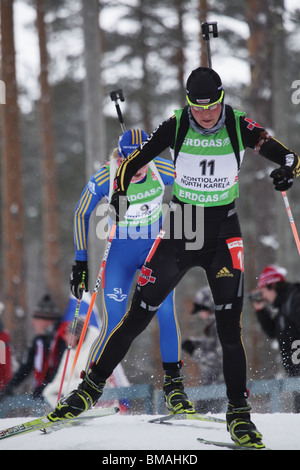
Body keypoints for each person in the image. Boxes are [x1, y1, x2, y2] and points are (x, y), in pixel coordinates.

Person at [50, 67, 300, 448]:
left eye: (211, 107)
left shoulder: (238, 124)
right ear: (188, 103)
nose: (204, 116)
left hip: (223, 234)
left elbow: (287, 156)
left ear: (221, 100)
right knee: (137, 316)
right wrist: (119, 192)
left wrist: (286, 171)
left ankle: (238, 415)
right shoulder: (176, 124)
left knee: (228, 327)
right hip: (181, 229)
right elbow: (134, 162)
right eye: (197, 108)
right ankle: (88, 389)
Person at [69, 128, 193, 414]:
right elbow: (81, 213)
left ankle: (174, 388)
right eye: (129, 160)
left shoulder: (161, 167)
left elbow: (196, 184)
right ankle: (87, 390)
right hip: (121, 252)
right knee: (114, 321)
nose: (136, 168)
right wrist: (80, 263)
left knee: (164, 313)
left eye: (141, 160)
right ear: (119, 155)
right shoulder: (106, 176)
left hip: (154, 249)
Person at [250, 265, 300, 411]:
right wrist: (260, 311)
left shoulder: (294, 299)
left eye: (263, 291)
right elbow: (274, 332)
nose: (263, 296)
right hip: (296, 376)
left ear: (273, 285)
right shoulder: (283, 307)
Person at [0, 294, 66, 401]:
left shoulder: (62, 340)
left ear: (47, 321)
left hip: (61, 393)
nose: (33, 323)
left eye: (36, 319)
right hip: (47, 395)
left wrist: (45, 387)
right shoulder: (38, 341)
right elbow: (26, 367)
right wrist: (8, 388)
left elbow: (61, 369)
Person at [182, 287, 223, 407]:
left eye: (202, 310)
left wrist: (195, 352)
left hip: (221, 388)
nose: (201, 315)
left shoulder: (220, 326)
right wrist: (195, 343)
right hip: (213, 387)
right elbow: (211, 344)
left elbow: (221, 359)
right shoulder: (215, 325)